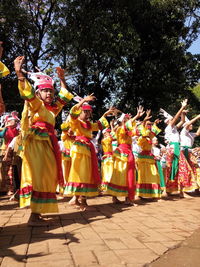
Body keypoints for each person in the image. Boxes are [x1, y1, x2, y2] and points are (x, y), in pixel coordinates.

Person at [14, 56, 74, 226]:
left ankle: (37, 212)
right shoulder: (36, 105)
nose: (49, 94)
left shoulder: (51, 110)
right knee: (38, 176)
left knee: (46, 176)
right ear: (38, 93)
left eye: (50, 91)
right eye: (45, 91)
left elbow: (64, 97)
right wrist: (19, 74)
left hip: (47, 144)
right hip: (36, 144)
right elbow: (28, 95)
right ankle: (33, 216)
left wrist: (62, 80)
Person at [64, 96, 115, 210]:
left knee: (86, 174)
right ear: (80, 112)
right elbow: (72, 113)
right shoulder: (76, 121)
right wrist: (83, 101)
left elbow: (99, 125)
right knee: (79, 174)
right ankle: (78, 199)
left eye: (89, 112)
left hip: (87, 149)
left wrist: (106, 114)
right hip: (78, 150)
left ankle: (82, 199)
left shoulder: (89, 124)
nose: (87, 114)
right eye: (85, 111)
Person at [104, 107, 145, 205]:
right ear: (123, 121)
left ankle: (122, 198)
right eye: (126, 119)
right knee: (124, 175)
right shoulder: (121, 129)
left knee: (122, 175)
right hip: (123, 153)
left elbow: (136, 132)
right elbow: (128, 127)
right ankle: (125, 198)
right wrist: (137, 116)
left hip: (123, 152)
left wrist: (140, 121)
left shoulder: (122, 130)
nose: (129, 121)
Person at [135, 111, 162, 200]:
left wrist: (155, 123)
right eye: (148, 124)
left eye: (150, 124)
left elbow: (153, 131)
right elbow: (142, 131)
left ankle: (154, 194)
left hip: (150, 157)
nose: (149, 126)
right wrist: (144, 121)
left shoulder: (150, 135)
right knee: (142, 176)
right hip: (143, 158)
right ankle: (140, 194)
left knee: (154, 174)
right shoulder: (141, 137)